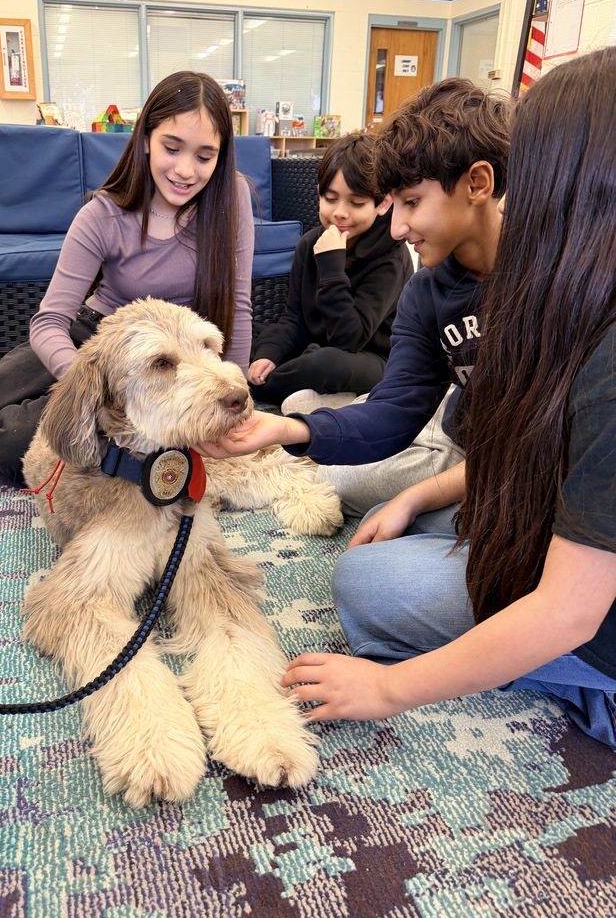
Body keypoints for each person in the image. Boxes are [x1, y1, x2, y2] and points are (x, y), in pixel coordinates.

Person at [282, 46, 616, 746]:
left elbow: (572, 607)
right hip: (532, 508)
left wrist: (387, 688)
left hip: (588, 607)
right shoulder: (544, 290)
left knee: (369, 586)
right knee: (408, 531)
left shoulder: (574, 314)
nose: (396, 226)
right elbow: (532, 452)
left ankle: (587, 690)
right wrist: (409, 494)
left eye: (407, 204)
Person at [0, 71, 255, 484]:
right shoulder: (103, 214)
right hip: (90, 346)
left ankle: (5, 408)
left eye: (204, 156)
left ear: (221, 155)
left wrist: (236, 396)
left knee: (15, 450)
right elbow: (49, 322)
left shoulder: (234, 199)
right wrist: (88, 391)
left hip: (166, 368)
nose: (185, 170)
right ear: (144, 139)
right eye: (171, 148)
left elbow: (240, 306)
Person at [198, 78, 512, 506]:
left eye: (413, 203)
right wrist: (289, 429)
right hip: (463, 433)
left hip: (519, 465)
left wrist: (417, 499)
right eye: (395, 204)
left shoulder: (553, 278)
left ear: (478, 183)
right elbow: (396, 408)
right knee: (353, 512)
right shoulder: (426, 291)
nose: (398, 227)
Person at [248, 133, 412, 412]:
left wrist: (332, 266)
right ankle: (311, 393)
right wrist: (269, 354)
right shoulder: (310, 243)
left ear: (383, 204)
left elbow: (349, 339)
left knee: (323, 364)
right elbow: (293, 317)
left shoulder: (391, 258)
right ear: (319, 194)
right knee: (247, 333)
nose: (340, 213)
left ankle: (258, 387)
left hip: (372, 359)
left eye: (356, 203)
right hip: (318, 345)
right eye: (330, 198)